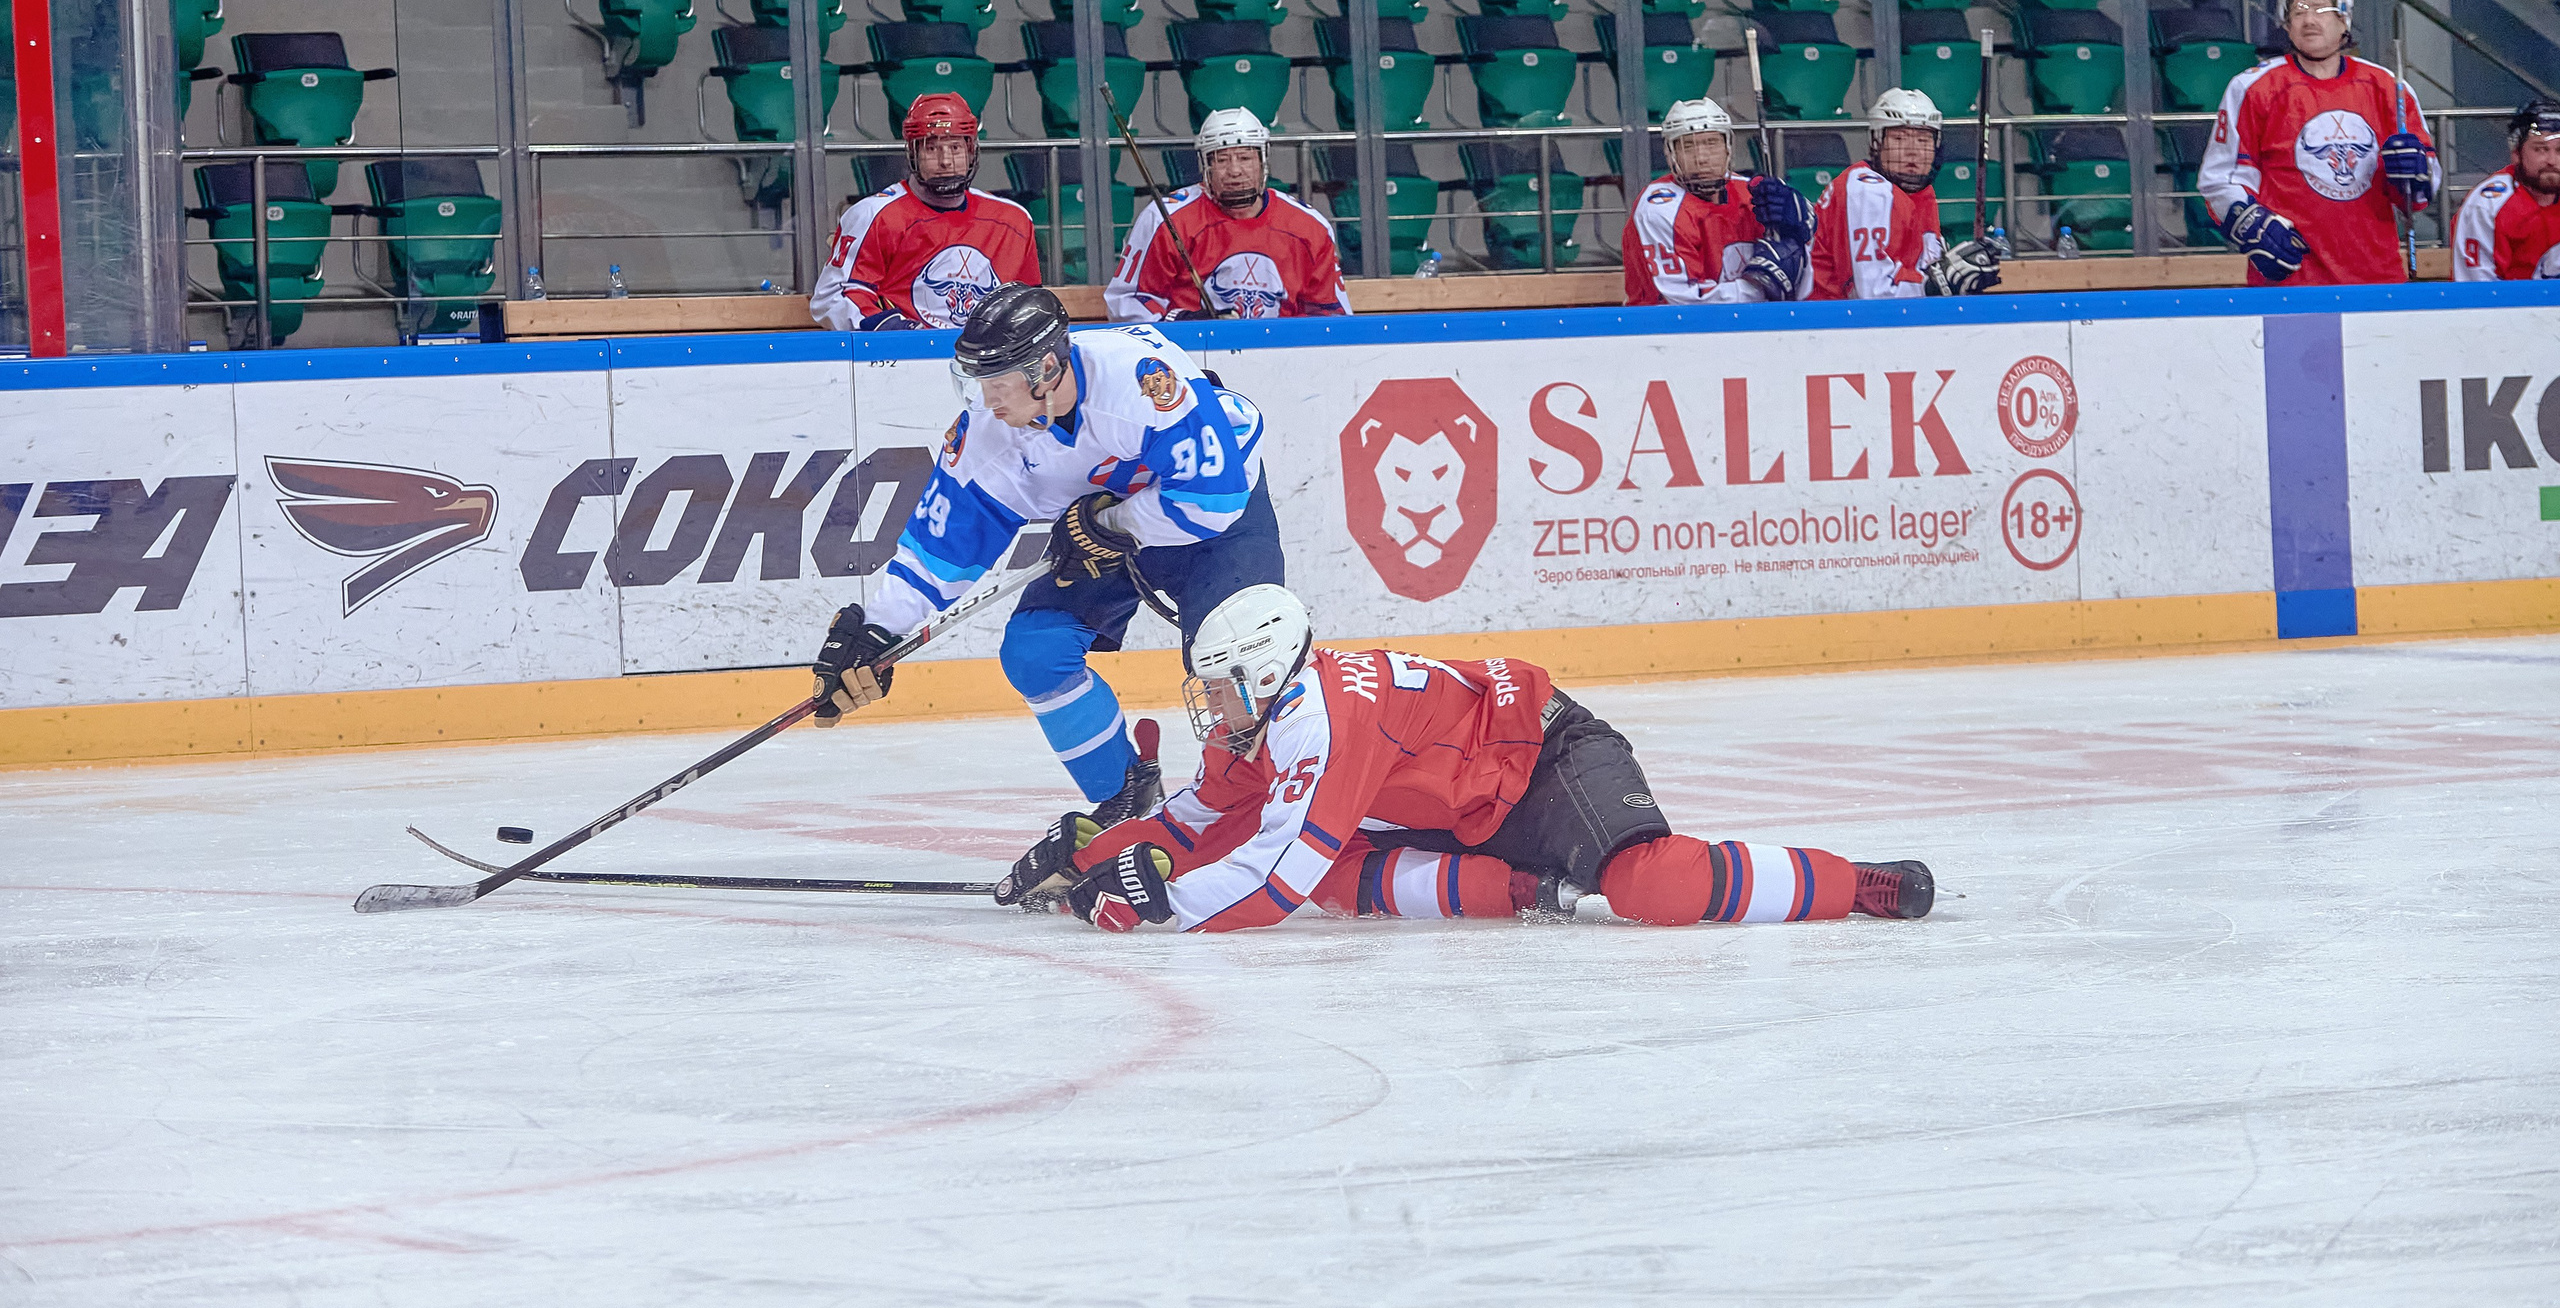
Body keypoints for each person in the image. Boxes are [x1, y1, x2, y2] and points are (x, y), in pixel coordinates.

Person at [995, 584, 1938, 934]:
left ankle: (1855, 884)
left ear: (1270, 673)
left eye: (1225, 687)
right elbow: (1201, 822)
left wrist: (1160, 899)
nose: (1214, 707)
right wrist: (1091, 851)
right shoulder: (1269, 714)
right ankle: (1526, 890)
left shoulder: (1327, 725)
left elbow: (1268, 885)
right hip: (1463, 798)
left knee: (1649, 886)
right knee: (1337, 869)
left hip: (1543, 753)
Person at [808, 285, 1284, 805]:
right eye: (978, 380)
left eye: (999, 383)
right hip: (1101, 535)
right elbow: (938, 550)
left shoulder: (1136, 381)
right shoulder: (988, 434)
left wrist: (1114, 521)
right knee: (1036, 653)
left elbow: (1212, 500)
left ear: (1047, 370)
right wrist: (880, 634)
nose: (987, 401)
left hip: (1218, 525)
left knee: (1237, 658)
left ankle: (1265, 803)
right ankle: (1122, 803)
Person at [2197, 0, 2441, 288]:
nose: (2310, 20)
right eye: (2298, 10)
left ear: (2344, 20)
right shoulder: (2252, 87)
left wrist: (2417, 173)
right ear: (2286, 24)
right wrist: (2248, 220)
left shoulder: (2388, 88)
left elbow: (2422, 191)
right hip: (2292, 283)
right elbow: (2220, 178)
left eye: (2322, 9)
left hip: (2377, 280)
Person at [809, 93, 1041, 331]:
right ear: (912, 154)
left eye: (955, 147)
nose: (946, 161)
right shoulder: (873, 216)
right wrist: (896, 334)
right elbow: (832, 298)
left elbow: (1029, 304)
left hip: (984, 362)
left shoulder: (1013, 220)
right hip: (903, 361)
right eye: (931, 149)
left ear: (972, 151)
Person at [1103, 108, 1351, 321]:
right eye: (1221, 160)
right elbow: (1126, 301)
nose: (1234, 170)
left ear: (1263, 162)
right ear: (1204, 166)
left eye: (1244, 158)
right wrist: (1182, 321)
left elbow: (1331, 314)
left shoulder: (1309, 226)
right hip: (1190, 360)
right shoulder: (1166, 219)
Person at [1807, 89, 2004, 300]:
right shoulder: (1867, 190)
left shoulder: (1921, 192)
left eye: (1923, 140)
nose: (1913, 151)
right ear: (1876, 142)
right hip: (1826, 319)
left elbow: (1923, 270)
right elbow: (1872, 294)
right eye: (1899, 138)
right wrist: (1936, 284)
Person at [1619, 97, 1816, 304]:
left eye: (1711, 143)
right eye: (1688, 146)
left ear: (1727, 147)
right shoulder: (1659, 209)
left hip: (1748, 325)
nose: (1702, 158)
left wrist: (1799, 241)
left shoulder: (1757, 197)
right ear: (1670, 154)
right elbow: (1686, 301)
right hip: (1665, 330)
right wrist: (1761, 289)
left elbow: (1803, 288)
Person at [2452, 98, 2560, 282]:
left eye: (2559, 150)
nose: (2551, 160)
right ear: (2516, 153)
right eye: (2540, 149)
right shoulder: (2486, 206)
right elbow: (2478, 294)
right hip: (2509, 309)